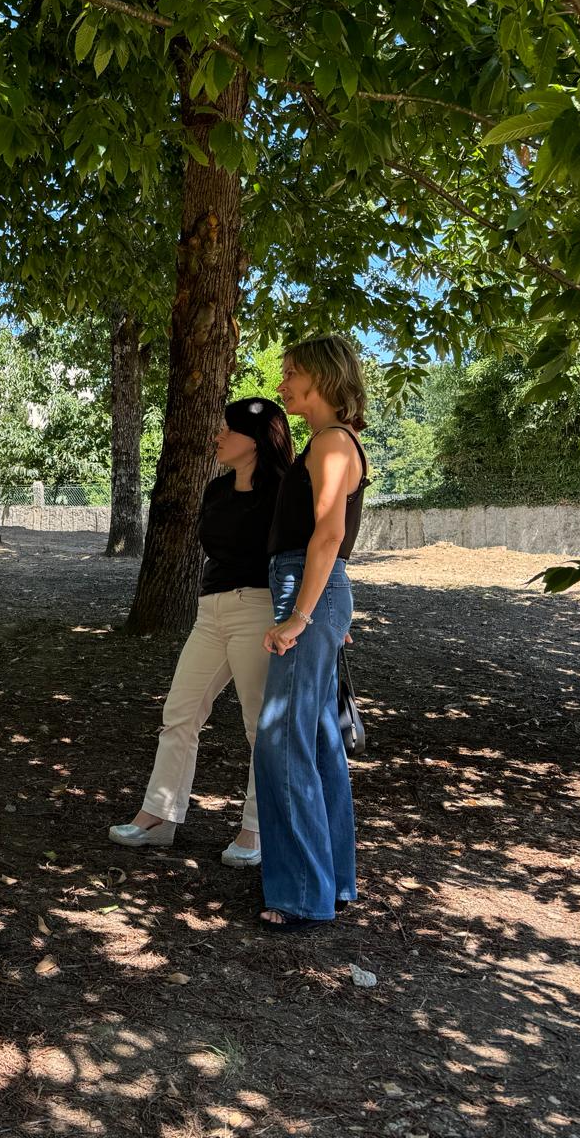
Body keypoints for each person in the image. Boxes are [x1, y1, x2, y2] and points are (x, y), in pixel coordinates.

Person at [109, 397, 295, 865]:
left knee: (260, 727)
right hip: (210, 611)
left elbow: (301, 556)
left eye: (227, 430)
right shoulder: (215, 491)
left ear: (253, 441)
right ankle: (159, 817)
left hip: (259, 610)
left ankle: (256, 829)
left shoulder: (285, 492)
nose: (218, 435)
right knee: (180, 712)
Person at [253, 336, 371, 932]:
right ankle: (334, 882)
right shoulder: (330, 441)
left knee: (282, 741)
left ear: (322, 377)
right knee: (319, 740)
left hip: (307, 585)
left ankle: (302, 894)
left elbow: (327, 536)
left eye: (291, 373)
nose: (282, 385)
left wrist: (301, 616)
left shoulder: (330, 442)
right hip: (313, 589)